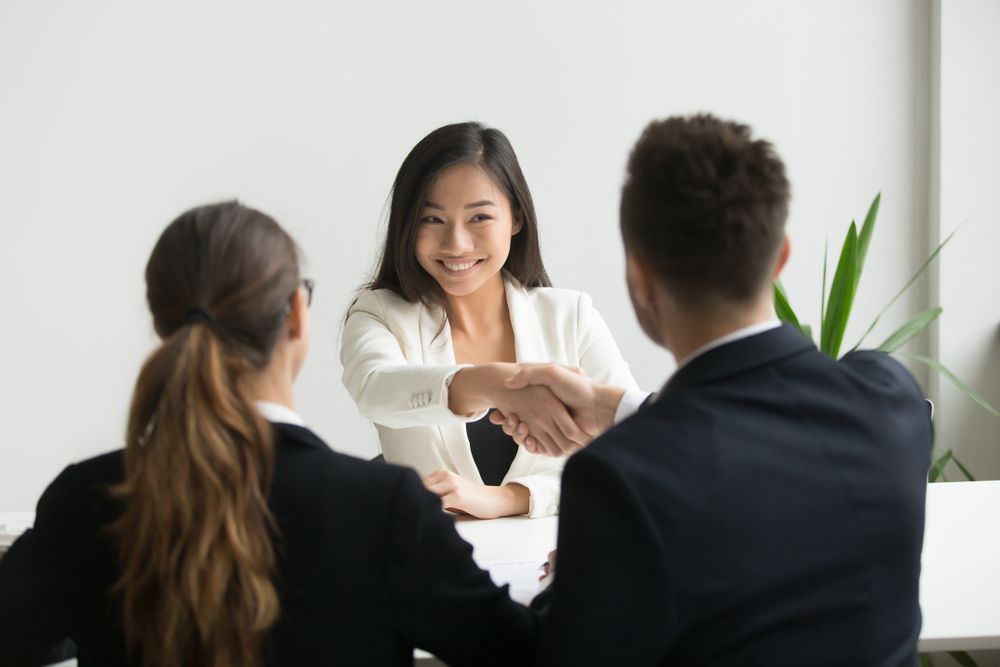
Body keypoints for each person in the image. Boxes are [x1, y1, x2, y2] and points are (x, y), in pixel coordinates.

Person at [0, 203, 537, 667]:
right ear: (297, 317)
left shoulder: (85, 502)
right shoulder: (380, 510)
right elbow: (532, 653)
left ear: (164, 326)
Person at [506, 114, 933, 664]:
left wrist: (575, 580)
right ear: (780, 255)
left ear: (639, 278)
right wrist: (619, 408)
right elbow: (762, 453)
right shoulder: (892, 400)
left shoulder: (621, 478)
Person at [341, 122, 641, 519]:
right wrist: (496, 386)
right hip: (428, 559)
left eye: (479, 218)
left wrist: (513, 498)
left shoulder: (571, 316)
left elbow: (639, 451)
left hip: (552, 560)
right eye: (431, 220)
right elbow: (376, 391)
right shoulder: (378, 313)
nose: (456, 244)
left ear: (515, 219)